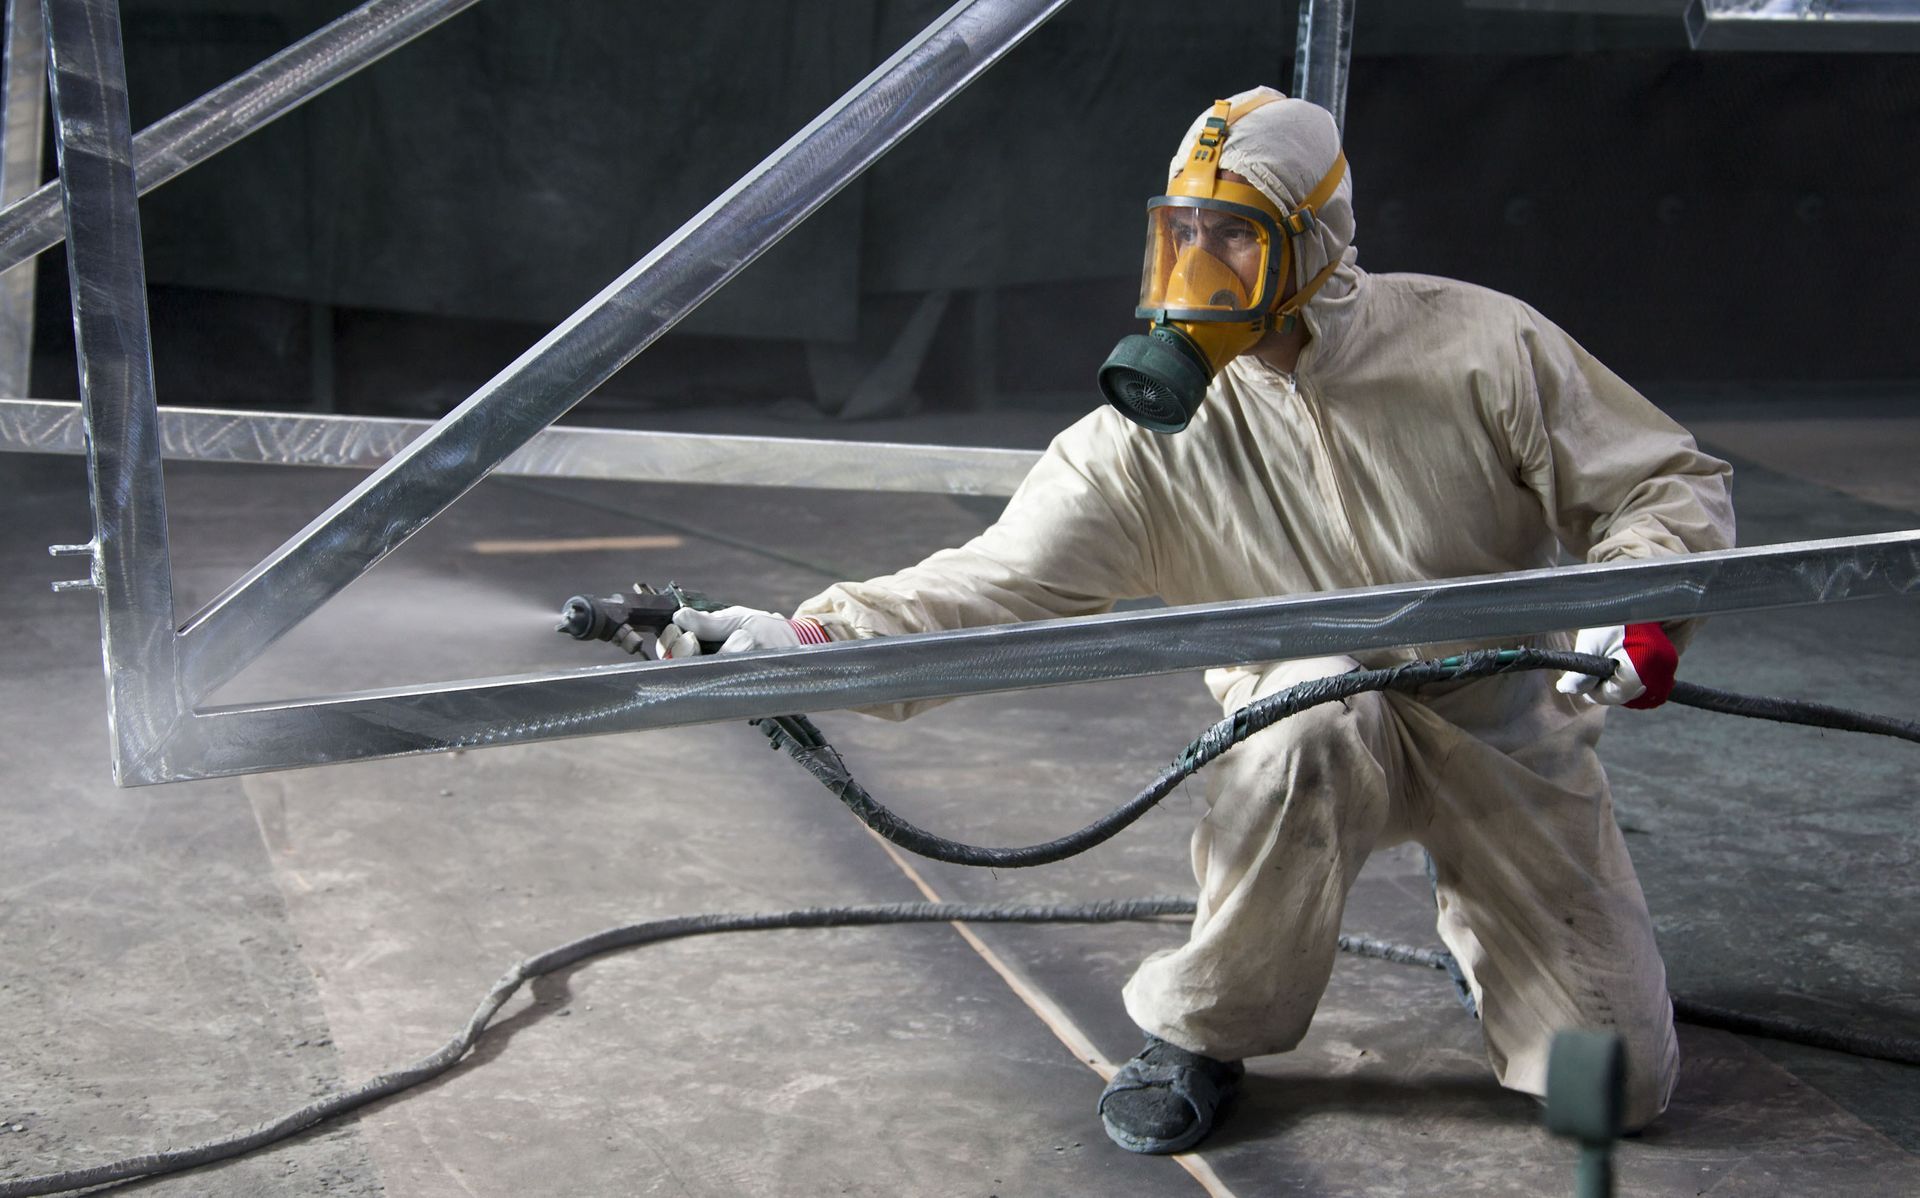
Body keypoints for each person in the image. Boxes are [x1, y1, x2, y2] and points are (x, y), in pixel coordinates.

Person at [647, 86, 1735, 1156]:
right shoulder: (1144, 445)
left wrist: (1636, 605)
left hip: (1500, 716)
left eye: (1236, 237)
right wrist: (808, 642)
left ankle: (1504, 944)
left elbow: (1660, 484)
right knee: (1308, 722)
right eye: (1183, 235)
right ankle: (1204, 1032)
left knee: (1616, 1090)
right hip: (1302, 711)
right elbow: (991, 586)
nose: (1199, 268)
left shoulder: (1481, 346)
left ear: (1317, 243)